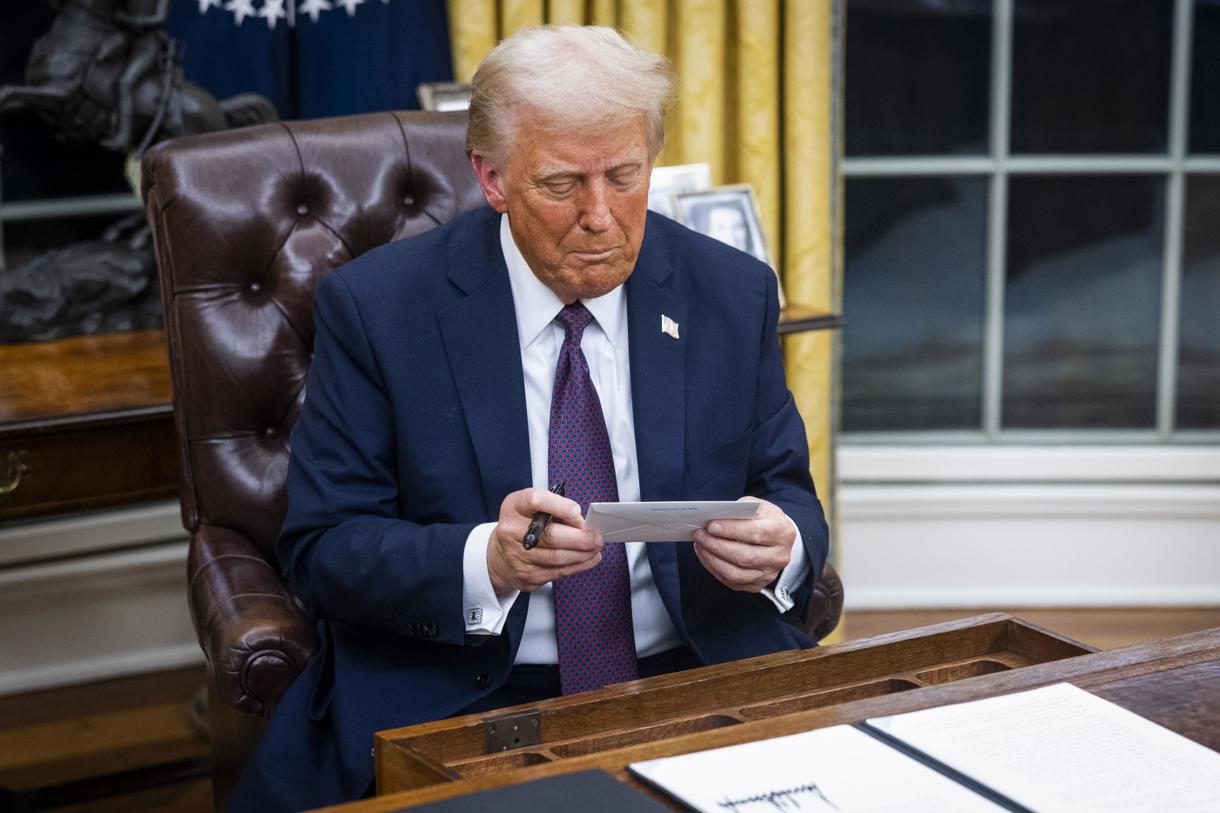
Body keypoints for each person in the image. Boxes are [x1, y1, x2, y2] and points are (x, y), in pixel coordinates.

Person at [229, 25, 828, 811]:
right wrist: (488, 560)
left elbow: (793, 501)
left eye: (624, 175)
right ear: (492, 177)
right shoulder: (381, 309)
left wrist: (781, 547)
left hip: (693, 674)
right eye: (561, 184)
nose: (601, 215)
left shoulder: (730, 292)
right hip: (467, 692)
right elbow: (324, 547)